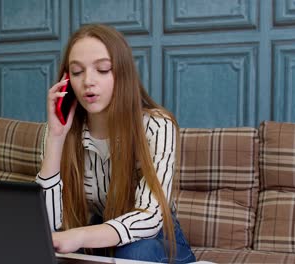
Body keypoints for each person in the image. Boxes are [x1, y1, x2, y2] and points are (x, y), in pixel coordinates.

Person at [35, 24, 196, 263]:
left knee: (135, 252)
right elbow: (48, 227)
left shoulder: (157, 126)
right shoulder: (60, 131)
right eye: (77, 72)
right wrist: (56, 139)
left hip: (156, 239)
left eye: (102, 69)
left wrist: (78, 236)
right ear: (66, 81)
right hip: (97, 236)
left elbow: (150, 217)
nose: (88, 81)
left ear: (121, 73)